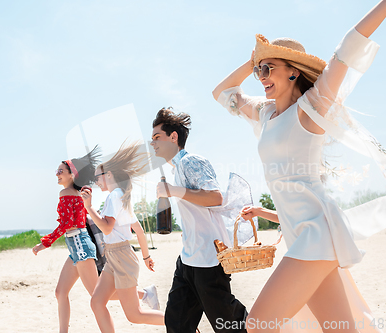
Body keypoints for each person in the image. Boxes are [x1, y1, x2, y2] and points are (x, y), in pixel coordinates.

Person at [212, 1, 386, 332]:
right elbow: (222, 92)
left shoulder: (311, 107)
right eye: (259, 71)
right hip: (300, 235)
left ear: (294, 70)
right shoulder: (265, 113)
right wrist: (254, 59)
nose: (261, 77)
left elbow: (348, 48)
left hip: (316, 233)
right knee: (340, 329)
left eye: (269, 69)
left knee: (256, 325)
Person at [32, 146, 159, 333]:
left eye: (60, 171)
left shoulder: (74, 194)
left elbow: (71, 223)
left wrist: (45, 243)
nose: (56, 174)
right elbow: (82, 222)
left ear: (71, 175)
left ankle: (151, 299)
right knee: (67, 293)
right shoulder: (88, 194)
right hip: (85, 248)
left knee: (106, 302)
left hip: (86, 248)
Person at [151, 108, 248, 333]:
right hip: (187, 259)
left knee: (229, 325)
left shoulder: (191, 161)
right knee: (176, 324)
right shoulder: (176, 169)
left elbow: (215, 197)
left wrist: (173, 191)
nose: (153, 143)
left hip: (209, 259)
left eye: (157, 138)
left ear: (173, 137)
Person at [81, 141, 165, 332]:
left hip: (122, 257)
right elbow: (139, 230)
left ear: (108, 175)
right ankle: (150, 296)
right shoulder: (121, 197)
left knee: (135, 315)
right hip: (116, 256)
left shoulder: (114, 196)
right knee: (97, 302)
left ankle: (184, 324)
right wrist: (146, 257)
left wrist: (89, 207)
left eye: (98, 177)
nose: (96, 182)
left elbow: (107, 228)